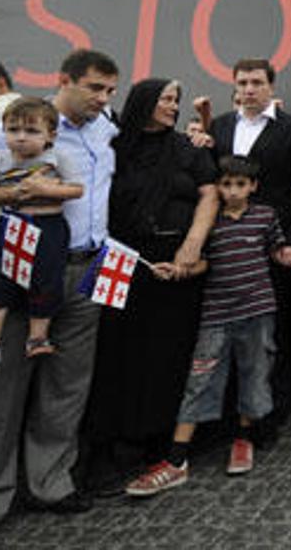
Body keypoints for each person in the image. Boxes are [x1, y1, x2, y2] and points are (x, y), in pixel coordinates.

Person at [0, 49, 119, 531]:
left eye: (110, 91)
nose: (103, 99)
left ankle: (50, 483)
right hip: (23, 264)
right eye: (95, 88)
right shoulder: (16, 126)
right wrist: (17, 193)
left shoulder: (106, 130)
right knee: (2, 384)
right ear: (64, 80)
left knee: (68, 384)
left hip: (88, 269)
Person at [123, 156, 291, 496]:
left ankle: (244, 437)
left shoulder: (265, 216)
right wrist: (181, 270)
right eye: (226, 185)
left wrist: (289, 255)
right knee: (199, 380)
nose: (233, 192)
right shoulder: (209, 221)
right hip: (217, 313)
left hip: (258, 310)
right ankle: (177, 457)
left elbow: (275, 249)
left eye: (240, 185)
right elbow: (204, 263)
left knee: (254, 373)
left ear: (253, 186)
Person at [85, 78, 217, 486]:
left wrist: (192, 244)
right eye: (166, 99)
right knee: (114, 351)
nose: (173, 106)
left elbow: (209, 194)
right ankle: (109, 444)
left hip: (175, 262)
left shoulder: (187, 148)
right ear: (144, 102)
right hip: (120, 259)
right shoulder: (113, 146)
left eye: (177, 100)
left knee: (168, 351)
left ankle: (158, 441)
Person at [207, 58, 291, 433]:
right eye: (242, 83)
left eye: (256, 82)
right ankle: (229, 416)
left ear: (271, 86)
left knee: (271, 333)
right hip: (225, 245)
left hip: (274, 245)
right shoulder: (219, 126)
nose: (249, 89)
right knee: (225, 332)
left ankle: (270, 414)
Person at [0, 98, 83, 365]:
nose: (21, 137)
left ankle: (37, 338)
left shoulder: (59, 158)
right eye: (13, 129)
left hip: (48, 226)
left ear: (51, 135)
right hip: (8, 223)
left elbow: (77, 189)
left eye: (31, 131)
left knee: (46, 279)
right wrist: (9, 193)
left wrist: (46, 189)